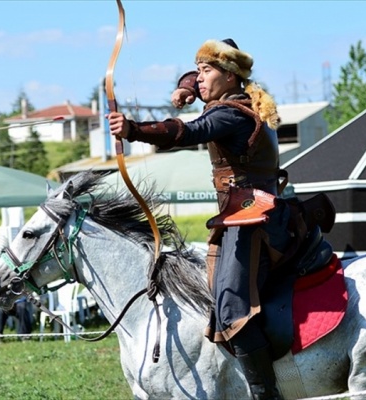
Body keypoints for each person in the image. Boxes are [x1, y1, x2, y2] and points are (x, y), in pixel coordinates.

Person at [108, 38, 289, 398]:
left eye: (206, 72)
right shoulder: (240, 100)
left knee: (230, 307)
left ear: (230, 76)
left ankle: (263, 392)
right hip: (246, 211)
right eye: (200, 71)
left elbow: (187, 132)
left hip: (250, 216)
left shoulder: (230, 115)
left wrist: (133, 130)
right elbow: (207, 68)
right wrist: (186, 87)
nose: (199, 77)